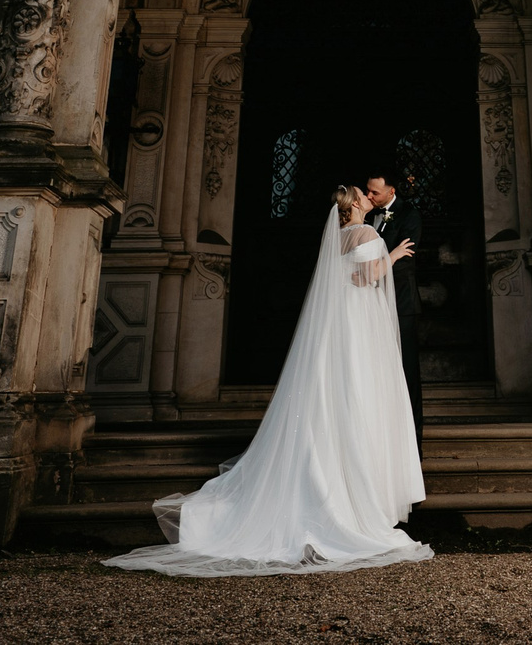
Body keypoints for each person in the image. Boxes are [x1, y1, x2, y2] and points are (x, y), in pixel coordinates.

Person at [105, 185, 429, 578]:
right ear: (357, 206)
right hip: (358, 326)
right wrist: (393, 256)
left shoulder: (338, 238)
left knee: (333, 397)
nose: (366, 196)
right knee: (356, 397)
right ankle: (353, 498)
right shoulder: (365, 234)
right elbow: (365, 279)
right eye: (363, 193)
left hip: (339, 328)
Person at [363, 172, 425, 440]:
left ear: (391, 192)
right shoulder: (367, 216)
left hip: (400, 302)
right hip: (370, 303)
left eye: (374, 192)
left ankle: (413, 441)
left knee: (406, 373)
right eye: (367, 191)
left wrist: (374, 268)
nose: (369, 196)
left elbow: (405, 259)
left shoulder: (409, 215)